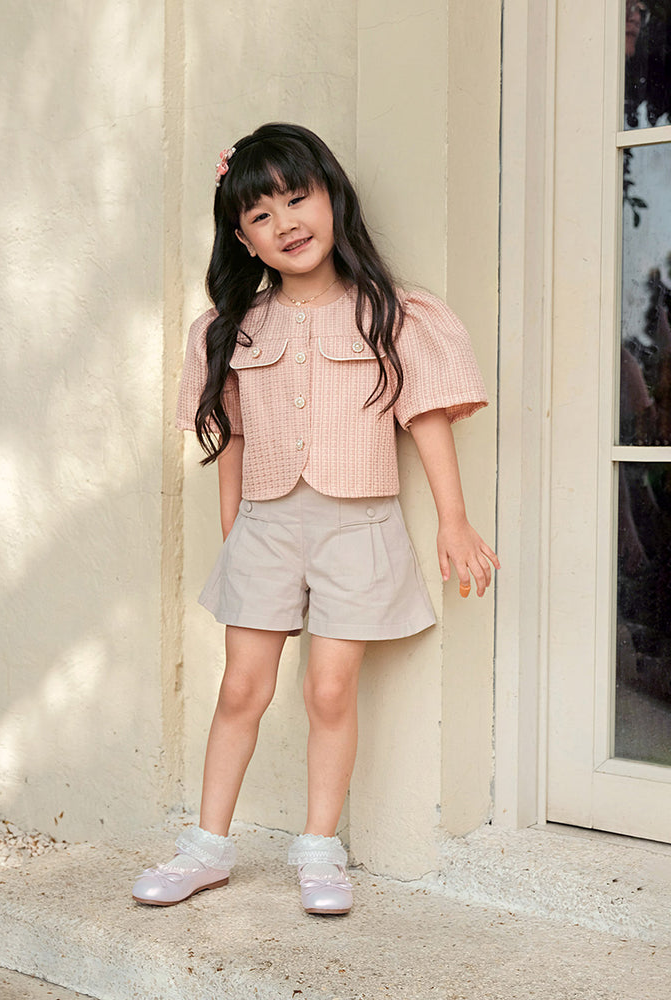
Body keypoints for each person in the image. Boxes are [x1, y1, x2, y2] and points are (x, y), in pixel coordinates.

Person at [132, 123, 499, 916]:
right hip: (265, 528)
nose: (286, 222)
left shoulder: (393, 315)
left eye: (298, 199)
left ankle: (319, 850)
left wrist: (453, 520)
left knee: (331, 693)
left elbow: (426, 418)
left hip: (358, 530)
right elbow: (229, 436)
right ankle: (206, 849)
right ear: (244, 239)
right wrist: (234, 533)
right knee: (243, 688)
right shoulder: (228, 329)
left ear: (332, 199)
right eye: (262, 216)